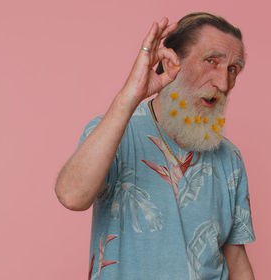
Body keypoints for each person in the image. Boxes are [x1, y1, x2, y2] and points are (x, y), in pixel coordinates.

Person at [55, 12, 256, 280]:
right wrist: (132, 93)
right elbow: (72, 196)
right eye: (211, 61)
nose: (223, 83)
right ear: (171, 60)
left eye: (233, 69)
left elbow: (235, 257)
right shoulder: (114, 133)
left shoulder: (230, 158)